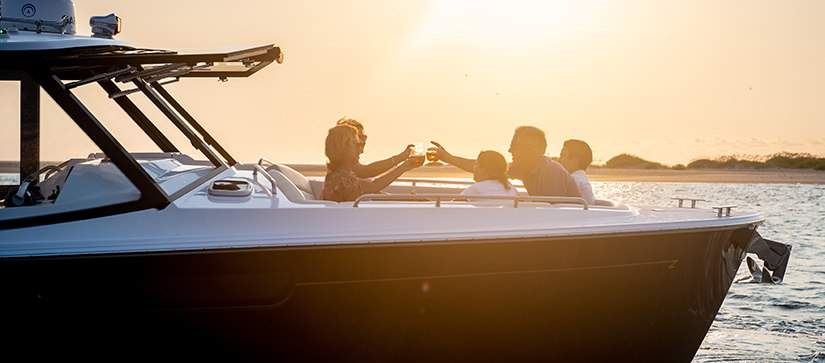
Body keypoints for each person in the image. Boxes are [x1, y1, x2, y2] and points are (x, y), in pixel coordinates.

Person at [431, 126, 581, 198]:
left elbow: (554, 214)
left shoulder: (551, 171)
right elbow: (487, 168)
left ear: (530, 149)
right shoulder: (521, 168)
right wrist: (448, 158)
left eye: (513, 147)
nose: (510, 151)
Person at [321, 124, 419, 202]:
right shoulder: (346, 180)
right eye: (358, 144)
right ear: (345, 149)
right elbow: (374, 186)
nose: (361, 149)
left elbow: (374, 188)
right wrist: (403, 167)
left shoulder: (335, 174)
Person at [336, 117, 414, 178]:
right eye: (357, 137)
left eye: (364, 137)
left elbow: (373, 190)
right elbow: (367, 172)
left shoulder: (354, 164)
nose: (362, 141)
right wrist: (401, 159)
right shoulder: (343, 167)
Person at [557, 139, 596, 205]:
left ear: (576, 159)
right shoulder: (582, 179)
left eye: (563, 156)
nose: (559, 160)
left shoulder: (574, 180)